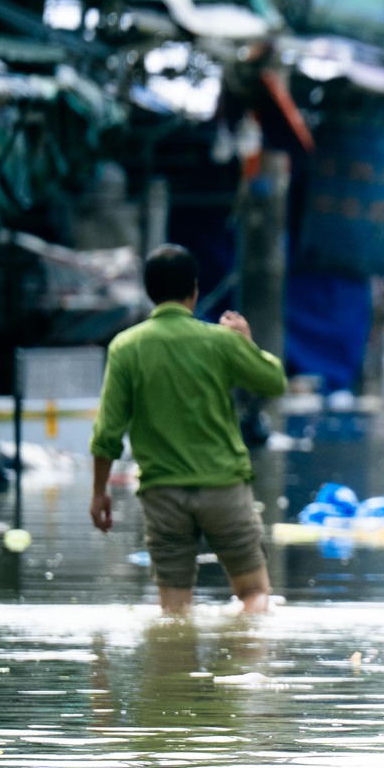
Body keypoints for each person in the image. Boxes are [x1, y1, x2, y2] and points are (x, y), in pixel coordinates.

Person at [89, 245, 289, 615]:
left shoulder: (125, 348)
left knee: (174, 609)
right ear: (194, 291)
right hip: (223, 488)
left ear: (149, 291)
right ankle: (249, 652)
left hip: (162, 494)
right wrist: (245, 341)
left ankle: (175, 655)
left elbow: (107, 432)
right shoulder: (220, 341)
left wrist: (99, 492)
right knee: (254, 593)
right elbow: (273, 381)